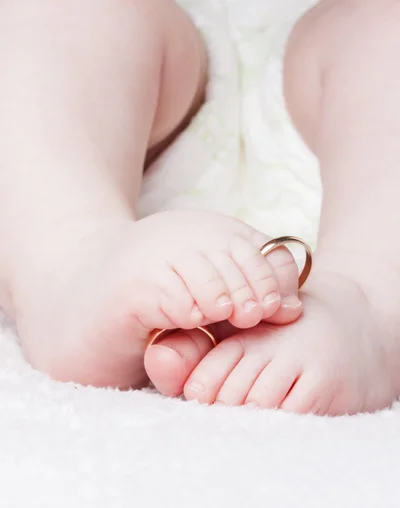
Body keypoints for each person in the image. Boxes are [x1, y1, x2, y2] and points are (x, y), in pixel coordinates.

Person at [1, 0, 398, 416]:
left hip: (356, 103)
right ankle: (69, 260)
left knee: (385, 31)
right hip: (139, 109)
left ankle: (369, 301)